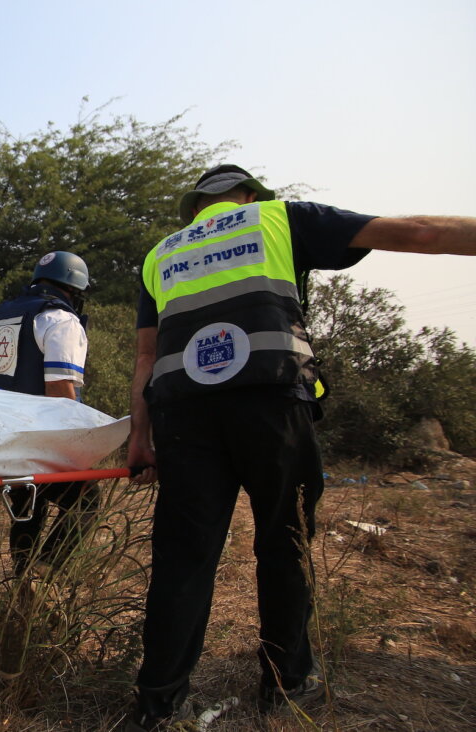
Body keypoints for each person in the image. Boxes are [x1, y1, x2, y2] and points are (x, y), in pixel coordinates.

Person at [124, 164, 476, 730]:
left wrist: (138, 438)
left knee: (183, 559)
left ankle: (157, 701)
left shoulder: (161, 253)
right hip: (269, 402)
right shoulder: (278, 217)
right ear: (247, 195)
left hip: (182, 413)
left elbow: (145, 357)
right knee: (283, 544)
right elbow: (422, 233)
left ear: (196, 208)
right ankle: (285, 685)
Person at [0, 251, 98, 576]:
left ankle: (24, 585)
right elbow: (60, 390)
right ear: (75, 289)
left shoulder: (4, 317)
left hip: (3, 438)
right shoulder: (61, 321)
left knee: (28, 511)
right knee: (86, 500)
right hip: (41, 440)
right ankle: (46, 570)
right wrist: (80, 446)